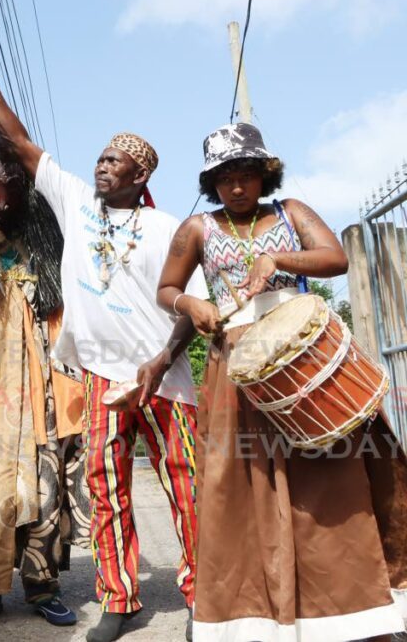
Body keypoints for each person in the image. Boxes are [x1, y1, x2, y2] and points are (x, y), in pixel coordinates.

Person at [0, 32, 205, 642]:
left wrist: (161, 361)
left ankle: (205, 594)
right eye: (100, 157)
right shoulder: (74, 203)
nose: (101, 165)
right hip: (98, 376)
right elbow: (17, 140)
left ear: (139, 174)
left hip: (163, 379)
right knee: (106, 486)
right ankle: (119, 599)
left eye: (115, 161)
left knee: (187, 487)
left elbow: (189, 310)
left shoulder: (170, 226)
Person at [157, 122, 407, 641]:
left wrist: (280, 259)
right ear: (212, 183)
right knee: (244, 489)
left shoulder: (291, 212)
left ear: (264, 173)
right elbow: (168, 287)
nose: (236, 186)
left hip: (305, 362)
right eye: (224, 177)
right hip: (239, 370)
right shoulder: (197, 228)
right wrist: (189, 303)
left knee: (332, 481)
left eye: (246, 174)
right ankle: (254, 619)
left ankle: (355, 611)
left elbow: (335, 258)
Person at [0, 125, 89, 626]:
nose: (3, 200)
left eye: (15, 185)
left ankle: (42, 585)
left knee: (45, 482)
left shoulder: (51, 237)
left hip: (44, 381)